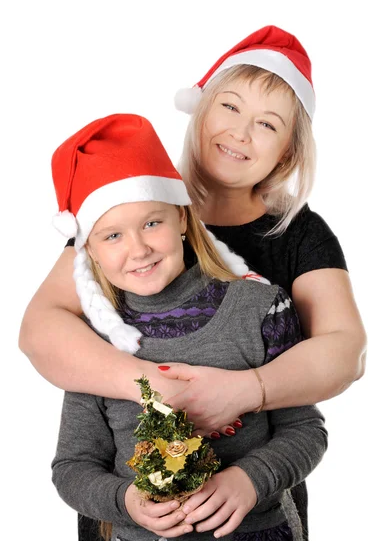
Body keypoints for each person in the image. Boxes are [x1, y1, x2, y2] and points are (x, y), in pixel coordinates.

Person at [19, 25, 366, 540]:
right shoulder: (129, 208)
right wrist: (152, 389)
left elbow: (346, 353)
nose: (241, 133)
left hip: (253, 512)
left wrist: (246, 391)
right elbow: (40, 332)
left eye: (266, 124)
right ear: (200, 110)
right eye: (229, 107)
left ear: (288, 151)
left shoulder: (298, 238)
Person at [50, 113, 327, 541]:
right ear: (87, 250)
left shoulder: (259, 308)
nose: (138, 249)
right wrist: (126, 500)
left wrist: (250, 479)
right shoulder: (90, 341)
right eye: (112, 236)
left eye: (151, 223)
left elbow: (305, 429)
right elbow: (73, 466)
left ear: (182, 218)